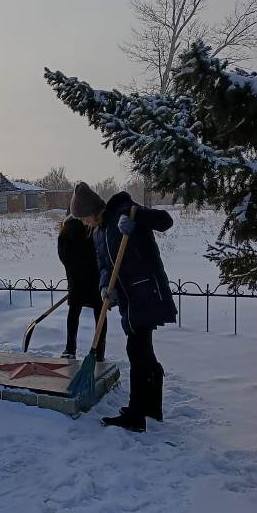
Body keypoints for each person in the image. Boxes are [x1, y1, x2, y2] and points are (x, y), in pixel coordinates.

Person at [70, 182, 177, 433]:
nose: (84, 224)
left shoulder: (125, 211)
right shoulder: (98, 232)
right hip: (130, 299)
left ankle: (137, 415)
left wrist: (137, 219)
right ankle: (151, 408)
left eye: (84, 218)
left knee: (137, 351)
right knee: (144, 353)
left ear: (93, 211)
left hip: (146, 292)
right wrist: (105, 286)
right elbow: (104, 265)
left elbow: (165, 221)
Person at [57, 213, 106, 361]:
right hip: (95, 278)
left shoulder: (65, 231)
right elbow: (102, 251)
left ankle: (70, 349)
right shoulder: (93, 226)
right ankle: (99, 351)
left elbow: (62, 256)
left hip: (75, 279)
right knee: (100, 313)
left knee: (74, 312)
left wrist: (72, 269)